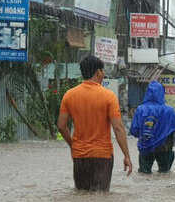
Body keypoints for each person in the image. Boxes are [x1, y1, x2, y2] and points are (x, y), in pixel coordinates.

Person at [56, 54, 132, 191]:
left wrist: (73, 145)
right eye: (103, 71)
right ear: (98, 72)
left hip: (80, 157)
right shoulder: (109, 96)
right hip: (102, 157)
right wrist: (127, 155)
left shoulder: (69, 95)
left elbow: (61, 126)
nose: (103, 75)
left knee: (81, 197)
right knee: (101, 200)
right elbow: (118, 128)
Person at [128, 80, 175, 174]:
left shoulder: (141, 109)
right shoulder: (169, 111)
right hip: (165, 146)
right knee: (165, 173)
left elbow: (134, 130)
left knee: (144, 174)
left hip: (145, 145)